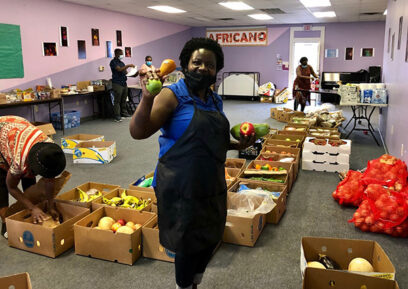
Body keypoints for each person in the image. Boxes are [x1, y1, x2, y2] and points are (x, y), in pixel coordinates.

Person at [129, 38, 255, 289]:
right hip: (180, 186)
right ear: (186, 65)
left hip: (212, 184)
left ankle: (194, 283)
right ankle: (184, 286)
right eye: (197, 62)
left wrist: (237, 145)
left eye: (210, 65)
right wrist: (146, 98)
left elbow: (211, 138)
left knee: (209, 238)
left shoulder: (214, 99)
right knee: (186, 245)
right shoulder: (171, 95)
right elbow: (138, 131)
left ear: (216, 71)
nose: (203, 68)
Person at [0, 116, 67, 239]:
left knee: (30, 180)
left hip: (19, 128)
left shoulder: (50, 150)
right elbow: (12, 187)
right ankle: (5, 223)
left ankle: (31, 212)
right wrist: (32, 208)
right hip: (3, 134)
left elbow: (49, 180)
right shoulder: (19, 162)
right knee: (2, 183)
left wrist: (50, 205)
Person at [110, 48, 137, 122]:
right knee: (117, 100)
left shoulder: (122, 63)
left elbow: (126, 73)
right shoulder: (113, 62)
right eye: (121, 54)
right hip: (117, 83)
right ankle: (117, 116)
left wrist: (134, 74)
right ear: (116, 54)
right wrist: (128, 65)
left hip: (124, 83)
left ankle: (124, 113)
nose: (122, 55)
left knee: (124, 99)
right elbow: (119, 69)